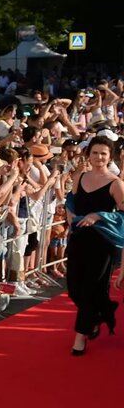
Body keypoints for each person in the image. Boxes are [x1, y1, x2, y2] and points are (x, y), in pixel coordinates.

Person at [64, 134, 124, 356]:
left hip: (102, 243)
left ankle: (80, 336)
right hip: (78, 239)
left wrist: (99, 215)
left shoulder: (116, 183)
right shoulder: (80, 177)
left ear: (110, 157)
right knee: (74, 287)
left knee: (91, 288)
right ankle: (100, 312)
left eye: (103, 154)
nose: (99, 157)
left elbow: (123, 214)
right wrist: (69, 214)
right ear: (88, 155)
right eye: (95, 153)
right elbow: (71, 200)